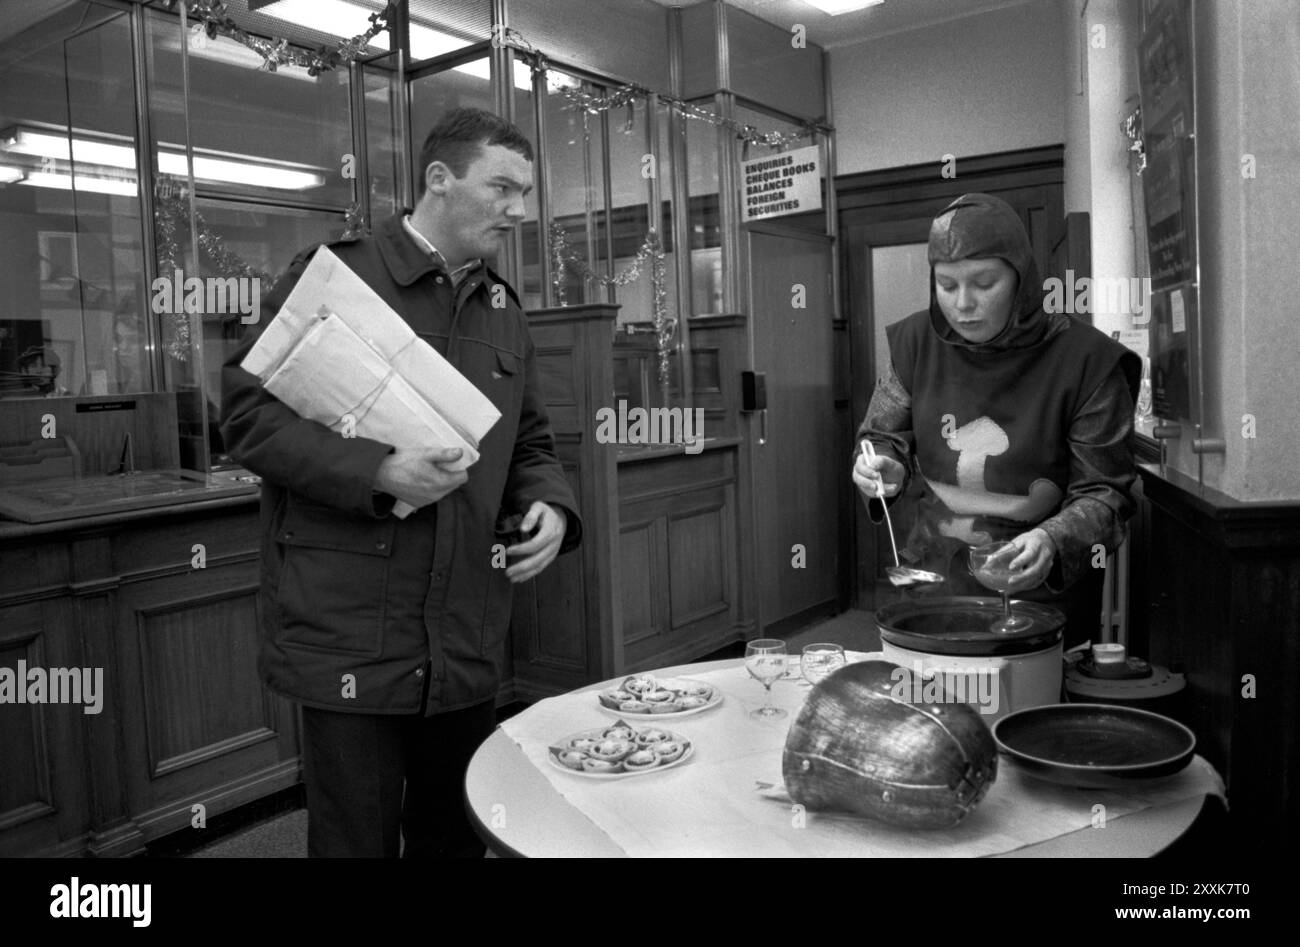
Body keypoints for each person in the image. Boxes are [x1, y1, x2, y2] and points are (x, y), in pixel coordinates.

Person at [219, 107, 581, 857]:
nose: (520, 211)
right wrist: (377, 470)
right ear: (439, 180)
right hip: (351, 633)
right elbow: (247, 418)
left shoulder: (504, 310)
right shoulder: (334, 273)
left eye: (525, 192)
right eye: (504, 188)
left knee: (456, 834)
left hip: (464, 633)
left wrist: (548, 503)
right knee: (357, 841)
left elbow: (530, 440)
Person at [851, 192, 1140, 646]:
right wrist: (883, 464)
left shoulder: (1087, 361)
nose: (963, 303)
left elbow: (1105, 492)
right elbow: (882, 435)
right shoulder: (914, 343)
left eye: (984, 283)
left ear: (1021, 279)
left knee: (1030, 707)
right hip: (934, 575)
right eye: (946, 285)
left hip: (1040, 589)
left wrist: (1052, 540)